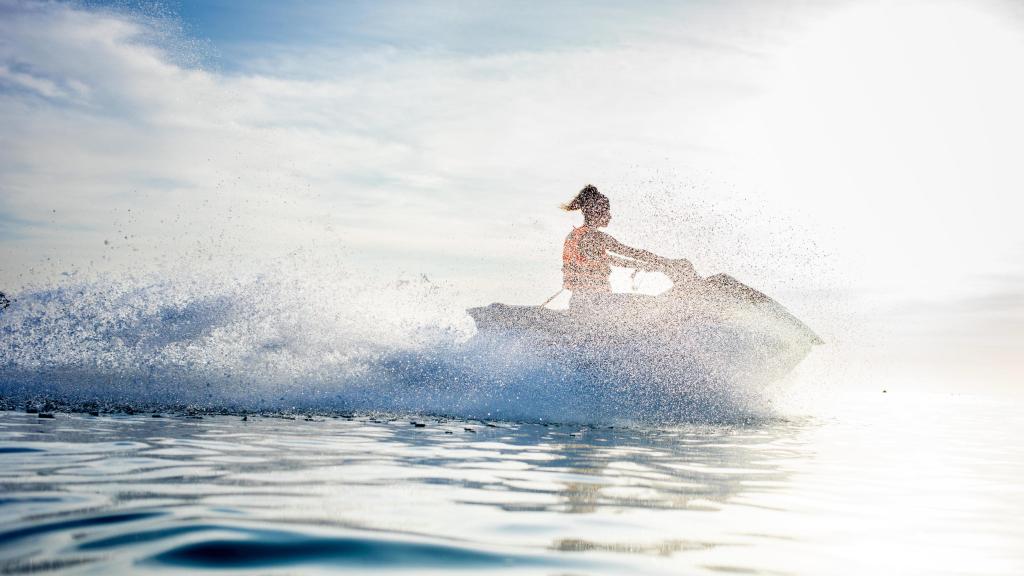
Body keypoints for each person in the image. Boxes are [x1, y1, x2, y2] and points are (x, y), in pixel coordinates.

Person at [561, 184, 669, 309]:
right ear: (597, 212)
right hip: (595, 302)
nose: (610, 216)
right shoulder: (593, 236)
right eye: (607, 211)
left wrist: (652, 263)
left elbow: (611, 257)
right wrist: (660, 263)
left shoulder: (573, 235)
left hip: (578, 302)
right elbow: (628, 253)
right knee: (650, 304)